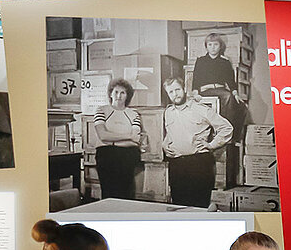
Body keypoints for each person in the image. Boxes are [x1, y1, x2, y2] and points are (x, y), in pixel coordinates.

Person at [159, 72, 231, 208]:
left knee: (199, 207)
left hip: (199, 164)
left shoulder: (201, 109)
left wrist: (212, 145)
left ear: (184, 89)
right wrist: (165, 144)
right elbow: (172, 132)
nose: (175, 94)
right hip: (177, 165)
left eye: (177, 90)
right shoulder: (168, 112)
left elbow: (226, 128)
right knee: (179, 207)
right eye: (171, 92)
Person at [191, 32, 248, 188]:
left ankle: (233, 136)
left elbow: (231, 81)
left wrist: (236, 93)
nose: (212, 47)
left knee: (241, 106)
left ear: (220, 46)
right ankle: (226, 131)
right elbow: (195, 79)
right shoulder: (201, 61)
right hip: (207, 91)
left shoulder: (224, 62)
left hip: (223, 91)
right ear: (206, 46)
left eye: (215, 44)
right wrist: (195, 92)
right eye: (210, 44)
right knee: (227, 97)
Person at [90, 79, 144, 202]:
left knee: (125, 194)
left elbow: (135, 140)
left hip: (128, 155)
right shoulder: (101, 110)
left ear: (127, 96)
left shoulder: (133, 114)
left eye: (123, 93)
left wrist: (113, 140)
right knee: (109, 194)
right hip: (106, 155)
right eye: (116, 92)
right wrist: (128, 136)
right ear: (110, 94)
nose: (119, 96)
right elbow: (103, 135)